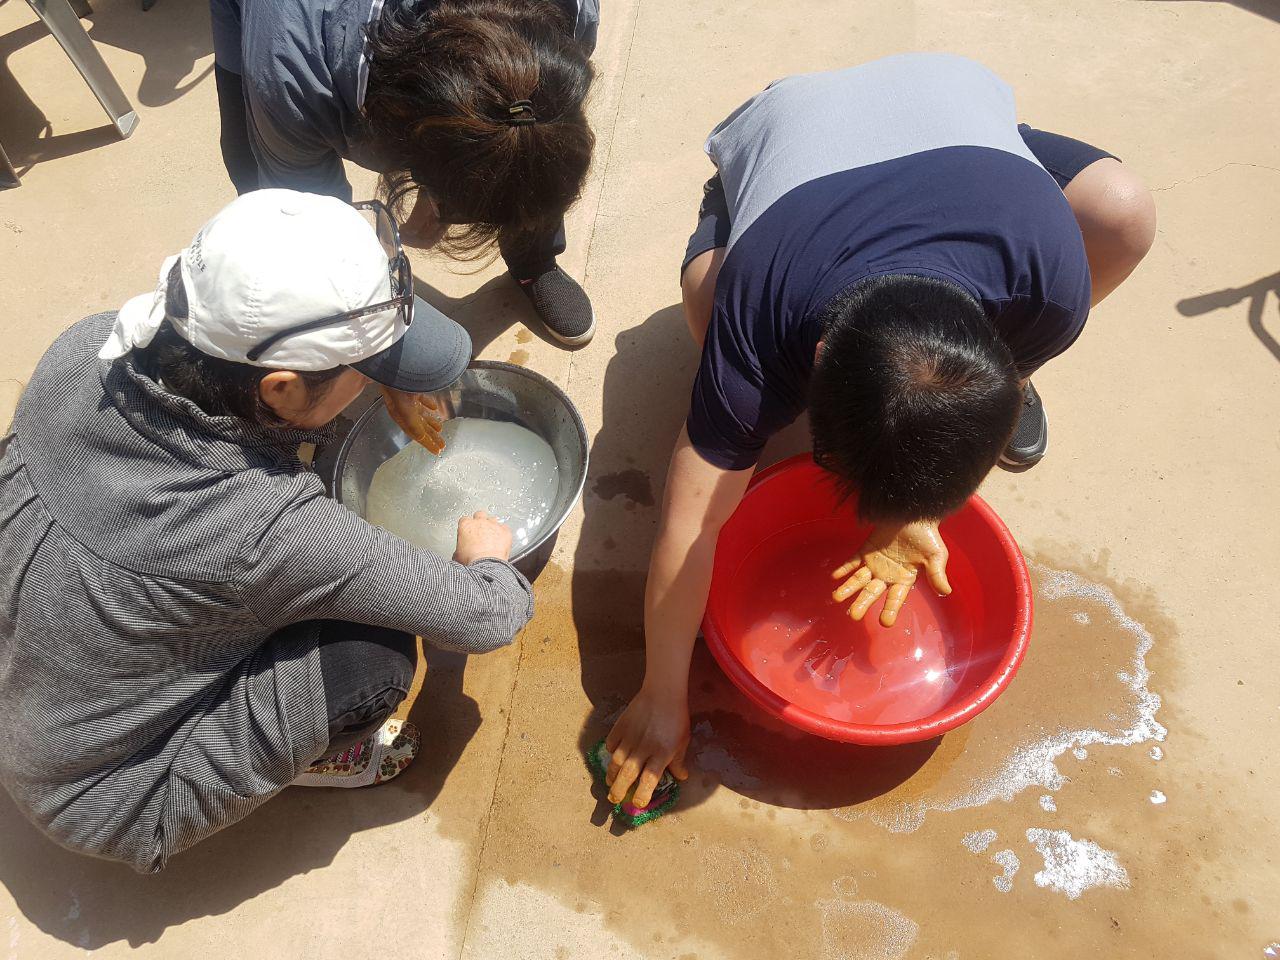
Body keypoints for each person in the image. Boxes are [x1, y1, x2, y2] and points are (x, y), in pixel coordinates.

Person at [602, 53, 1157, 808]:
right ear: (824, 359)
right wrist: (661, 694)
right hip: (791, 136)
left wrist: (922, 507)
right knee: (707, 307)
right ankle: (729, 201)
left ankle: (990, 395)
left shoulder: (1054, 282)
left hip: (953, 116)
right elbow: (690, 527)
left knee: (1125, 209)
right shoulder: (766, 307)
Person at [0, 190, 534, 872]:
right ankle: (323, 758)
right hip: (106, 792)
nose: (377, 377)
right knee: (373, 656)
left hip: (35, 672)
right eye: (365, 366)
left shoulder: (85, 350)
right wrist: (486, 558)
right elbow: (486, 617)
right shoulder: (265, 529)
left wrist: (372, 375)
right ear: (279, 390)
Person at [210, 0, 600, 346]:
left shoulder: (571, 11)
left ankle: (535, 263)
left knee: (533, 159)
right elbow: (314, 218)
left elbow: (515, 130)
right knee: (260, 180)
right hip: (282, 21)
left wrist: (446, 193)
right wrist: (369, 316)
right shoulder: (293, 71)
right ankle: (340, 310)